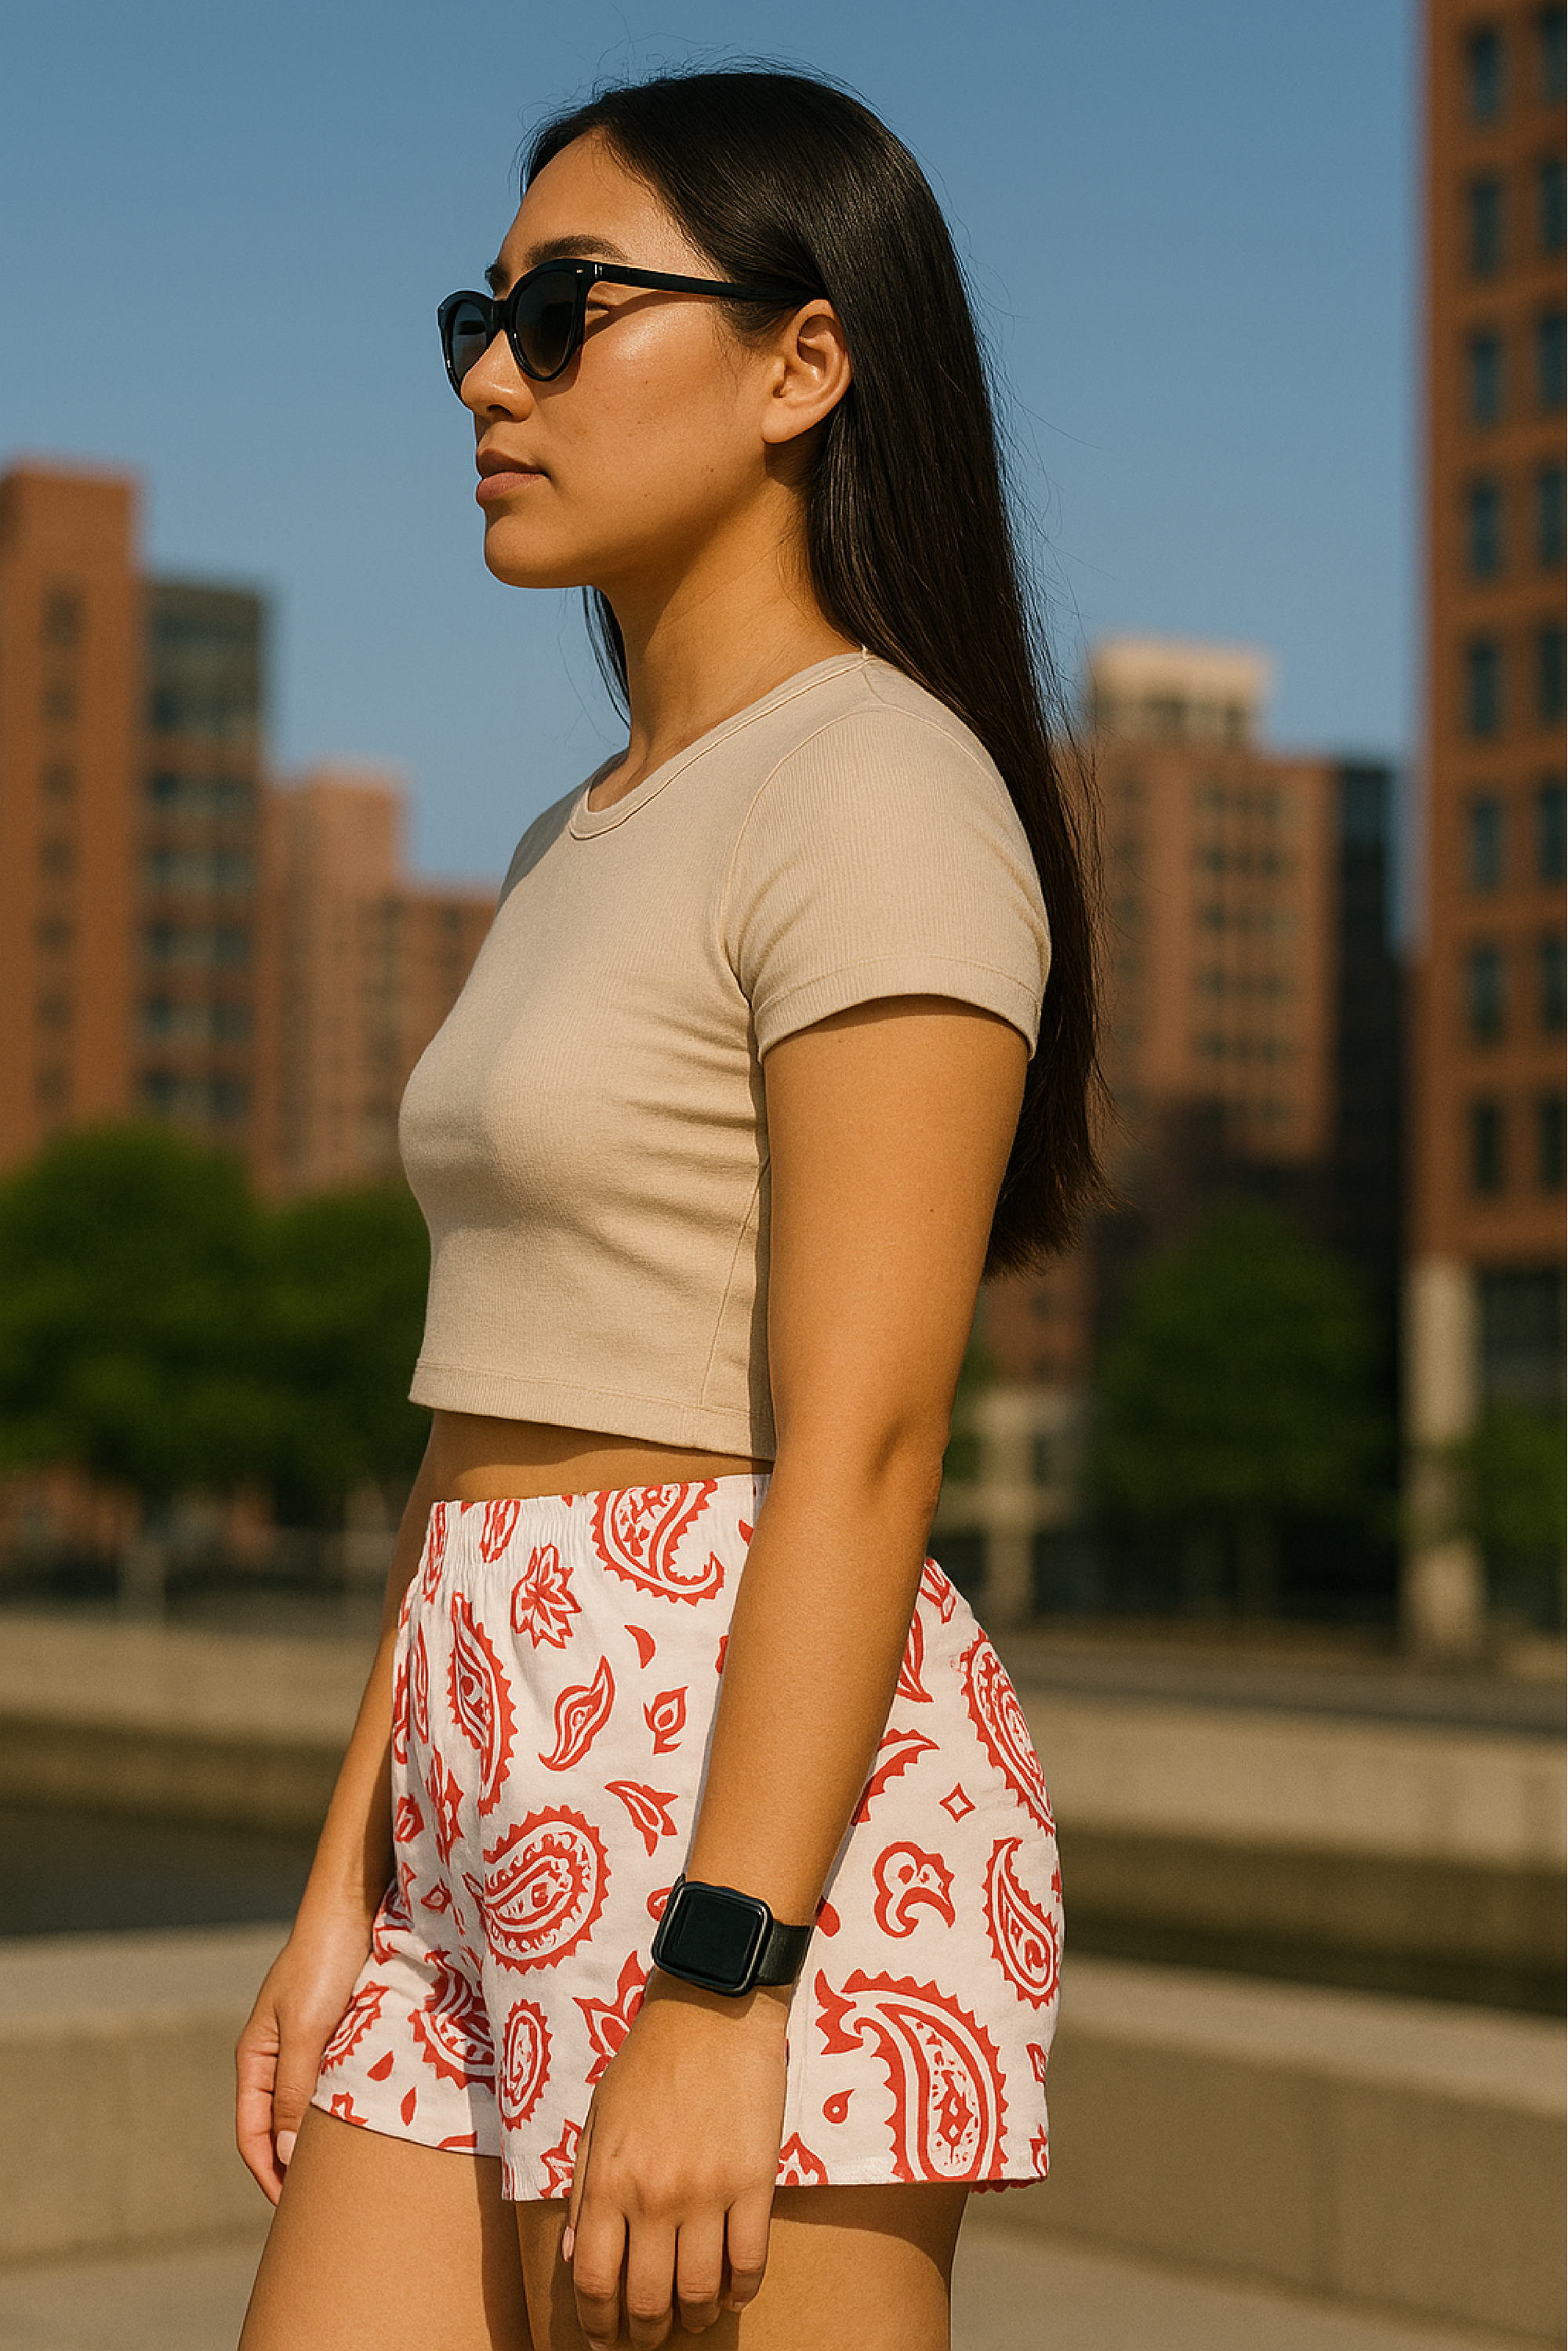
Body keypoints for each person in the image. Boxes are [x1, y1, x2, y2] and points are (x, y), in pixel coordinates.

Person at [236, 64, 1100, 2351]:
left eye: (565, 308)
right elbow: (478, 1420)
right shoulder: (576, 837)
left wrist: (731, 1967)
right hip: (475, 1749)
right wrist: (351, 1878)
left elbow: (872, 1441)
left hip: (740, 1780)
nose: (489, 375)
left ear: (805, 361)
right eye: (478, 316)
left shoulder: (883, 790)